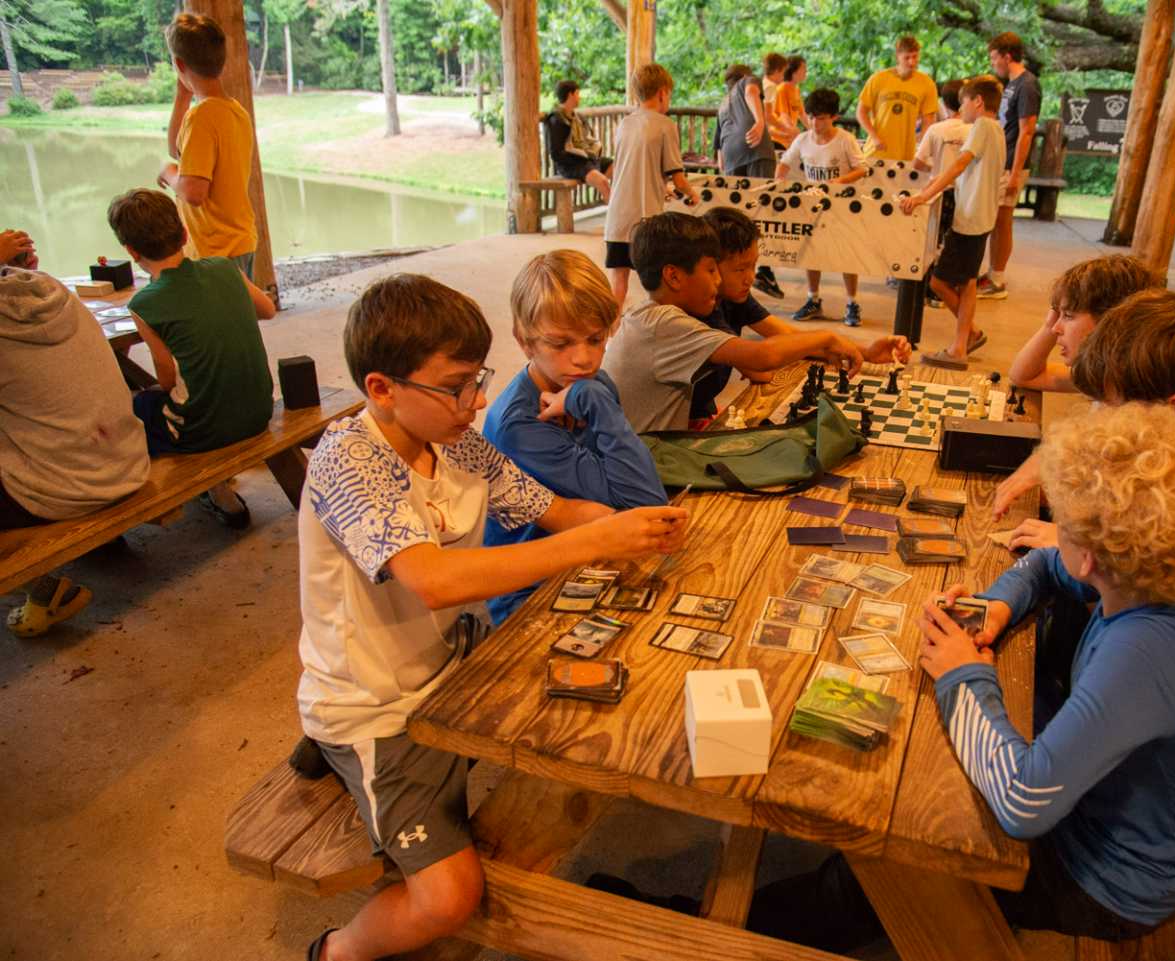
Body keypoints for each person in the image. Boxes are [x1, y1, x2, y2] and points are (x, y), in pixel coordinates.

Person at [747, 402, 1175, 950]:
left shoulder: (1149, 651)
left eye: (1062, 523)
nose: (1054, 533)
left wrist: (964, 675)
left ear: (1090, 557)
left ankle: (744, 928)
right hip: (1096, 806)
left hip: (1104, 880)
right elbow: (1042, 565)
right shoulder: (1153, 576)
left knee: (889, 849)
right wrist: (996, 606)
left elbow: (1022, 802)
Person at [297, 273, 688, 961]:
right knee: (447, 900)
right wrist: (596, 539)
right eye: (456, 386)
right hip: (375, 704)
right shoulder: (348, 460)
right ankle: (337, 950)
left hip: (450, 660)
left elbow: (555, 510)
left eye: (477, 380)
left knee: (617, 694)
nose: (478, 401)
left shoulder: (455, 440)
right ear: (382, 388)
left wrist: (631, 526)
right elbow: (434, 582)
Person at [997, 288, 1175, 619]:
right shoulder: (1149, 476)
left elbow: (1137, 625)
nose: (1097, 422)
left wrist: (1083, 550)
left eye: (1109, 407)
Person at [483, 250, 667, 624]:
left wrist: (589, 396)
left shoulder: (589, 386)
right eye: (560, 344)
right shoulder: (520, 424)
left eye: (595, 339)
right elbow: (642, 505)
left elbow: (639, 508)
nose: (583, 359)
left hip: (593, 558)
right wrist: (594, 401)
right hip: (530, 592)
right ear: (524, 341)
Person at [1, 243, 150, 638]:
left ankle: (38, 585)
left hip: (68, 491)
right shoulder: (55, 292)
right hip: (127, 463)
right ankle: (97, 546)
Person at [601, 211, 864, 434]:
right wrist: (827, 336)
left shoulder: (649, 315)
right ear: (674, 277)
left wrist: (858, 350)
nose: (717, 280)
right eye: (711, 270)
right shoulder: (665, 324)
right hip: (642, 466)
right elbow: (762, 357)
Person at [107, 187, 275, 529]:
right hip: (259, 409)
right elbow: (268, 310)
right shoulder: (224, 268)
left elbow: (166, 378)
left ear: (131, 251)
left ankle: (149, 503)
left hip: (204, 429)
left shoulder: (143, 303)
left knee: (131, 411)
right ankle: (219, 491)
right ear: (184, 234)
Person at [690, 207, 911, 422]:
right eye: (740, 269)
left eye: (754, 265)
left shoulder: (734, 297)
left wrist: (867, 351)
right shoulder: (703, 311)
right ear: (710, 266)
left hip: (700, 410)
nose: (750, 277)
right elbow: (760, 365)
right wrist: (825, 338)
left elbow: (789, 335)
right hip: (680, 424)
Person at [898, 75, 1005, 369]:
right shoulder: (997, 129)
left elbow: (958, 164)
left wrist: (923, 195)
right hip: (982, 216)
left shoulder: (982, 126)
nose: (961, 109)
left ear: (978, 101)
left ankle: (964, 341)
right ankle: (964, 339)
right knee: (967, 282)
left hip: (970, 218)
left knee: (938, 281)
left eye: (964, 102)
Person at [156, 13, 258, 279]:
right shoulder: (234, 111)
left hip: (216, 250)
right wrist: (182, 96)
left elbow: (193, 192)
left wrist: (169, 172)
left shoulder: (201, 118)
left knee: (222, 310)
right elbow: (176, 149)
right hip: (238, 242)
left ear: (179, 64)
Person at [604, 62, 700, 307]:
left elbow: (632, 168)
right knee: (658, 284)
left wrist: (661, 187)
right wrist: (693, 194)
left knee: (619, 282)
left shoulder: (625, 124)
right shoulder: (665, 124)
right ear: (662, 93)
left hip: (617, 218)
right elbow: (678, 179)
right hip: (646, 221)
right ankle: (656, 326)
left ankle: (610, 330)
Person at [776, 88, 868, 327]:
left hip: (843, 206)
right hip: (813, 205)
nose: (815, 123)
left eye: (821, 118)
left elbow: (862, 169)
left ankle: (852, 302)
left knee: (847, 254)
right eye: (811, 117)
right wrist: (779, 181)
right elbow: (784, 163)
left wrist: (840, 181)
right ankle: (813, 299)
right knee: (811, 253)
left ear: (834, 117)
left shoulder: (845, 139)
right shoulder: (802, 139)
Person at [1007, 254, 1161, 394]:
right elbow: (1023, 376)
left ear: (1110, 321)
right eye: (1058, 316)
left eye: (1068, 316)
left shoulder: (1138, 392)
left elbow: (1026, 377)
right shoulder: (1105, 375)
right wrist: (1048, 326)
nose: (1055, 328)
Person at [977, 31, 1041, 301]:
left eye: (994, 58)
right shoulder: (1011, 84)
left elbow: (1027, 130)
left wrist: (1015, 174)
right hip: (1001, 161)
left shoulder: (1027, 85)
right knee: (995, 220)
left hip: (1012, 163)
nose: (993, 63)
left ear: (1007, 56)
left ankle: (998, 279)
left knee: (1003, 221)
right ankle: (992, 273)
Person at [716, 63, 783, 300]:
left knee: (736, 214)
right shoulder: (748, 81)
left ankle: (732, 266)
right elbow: (752, 92)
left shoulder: (723, 104)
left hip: (731, 155)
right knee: (761, 208)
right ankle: (763, 268)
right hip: (756, 149)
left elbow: (719, 155)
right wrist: (760, 122)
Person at [912, 79, 971, 308]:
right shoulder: (974, 130)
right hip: (965, 195)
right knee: (955, 241)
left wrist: (936, 168)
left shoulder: (936, 129)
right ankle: (948, 287)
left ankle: (928, 288)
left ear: (944, 104)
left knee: (933, 241)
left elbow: (918, 163)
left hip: (938, 192)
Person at [855, 35, 938, 162]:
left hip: (906, 154)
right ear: (897, 56)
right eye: (907, 58)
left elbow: (929, 120)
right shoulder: (878, 79)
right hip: (876, 151)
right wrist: (874, 136)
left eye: (915, 57)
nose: (911, 62)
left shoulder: (927, 83)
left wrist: (922, 146)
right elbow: (861, 112)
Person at [543, 80, 613, 202]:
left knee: (618, 168)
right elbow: (556, 154)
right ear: (570, 95)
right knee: (603, 182)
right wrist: (580, 156)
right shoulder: (557, 120)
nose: (579, 97)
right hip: (570, 166)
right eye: (577, 93)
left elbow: (586, 140)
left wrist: (591, 150)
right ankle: (616, 213)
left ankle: (620, 206)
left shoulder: (577, 117)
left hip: (586, 160)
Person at [769, 56, 807, 151]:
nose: (806, 71)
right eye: (803, 68)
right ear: (794, 71)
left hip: (790, 140)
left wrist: (815, 131)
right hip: (778, 140)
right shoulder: (782, 89)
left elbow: (802, 115)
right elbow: (784, 116)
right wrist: (793, 132)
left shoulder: (796, 90)